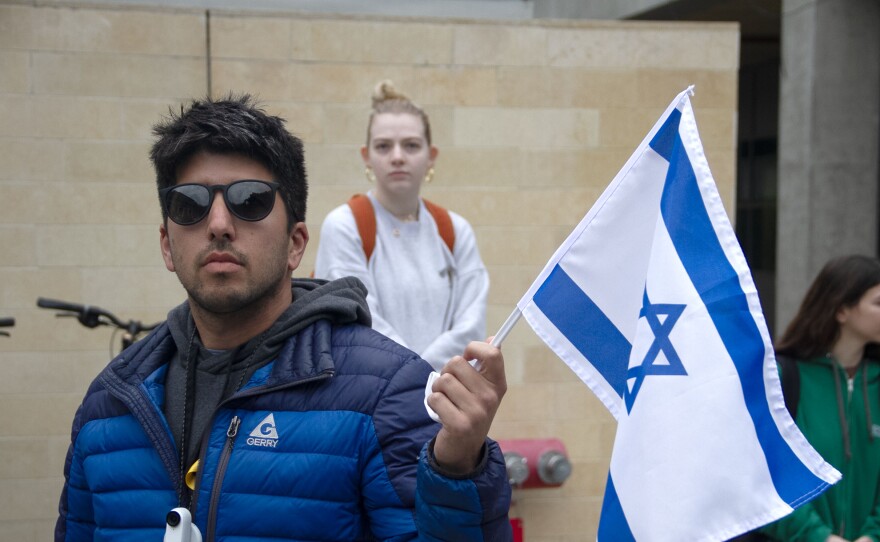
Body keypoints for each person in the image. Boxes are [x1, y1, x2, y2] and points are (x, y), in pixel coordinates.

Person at [55, 94, 511, 541]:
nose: (217, 223)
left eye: (249, 200)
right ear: (165, 244)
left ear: (296, 244)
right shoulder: (107, 407)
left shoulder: (384, 398)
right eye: (190, 203)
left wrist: (454, 470)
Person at [314, 80, 489, 371]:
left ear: (431, 156)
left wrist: (432, 384)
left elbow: (471, 327)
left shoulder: (456, 231)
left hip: (446, 401)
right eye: (383, 146)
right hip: (371, 402)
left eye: (411, 145)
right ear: (366, 156)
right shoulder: (345, 226)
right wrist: (418, 379)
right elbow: (360, 326)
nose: (397, 156)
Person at [759, 254, 880, 542]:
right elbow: (762, 475)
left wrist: (872, 535)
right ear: (841, 310)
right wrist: (818, 537)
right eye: (878, 303)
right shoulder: (782, 378)